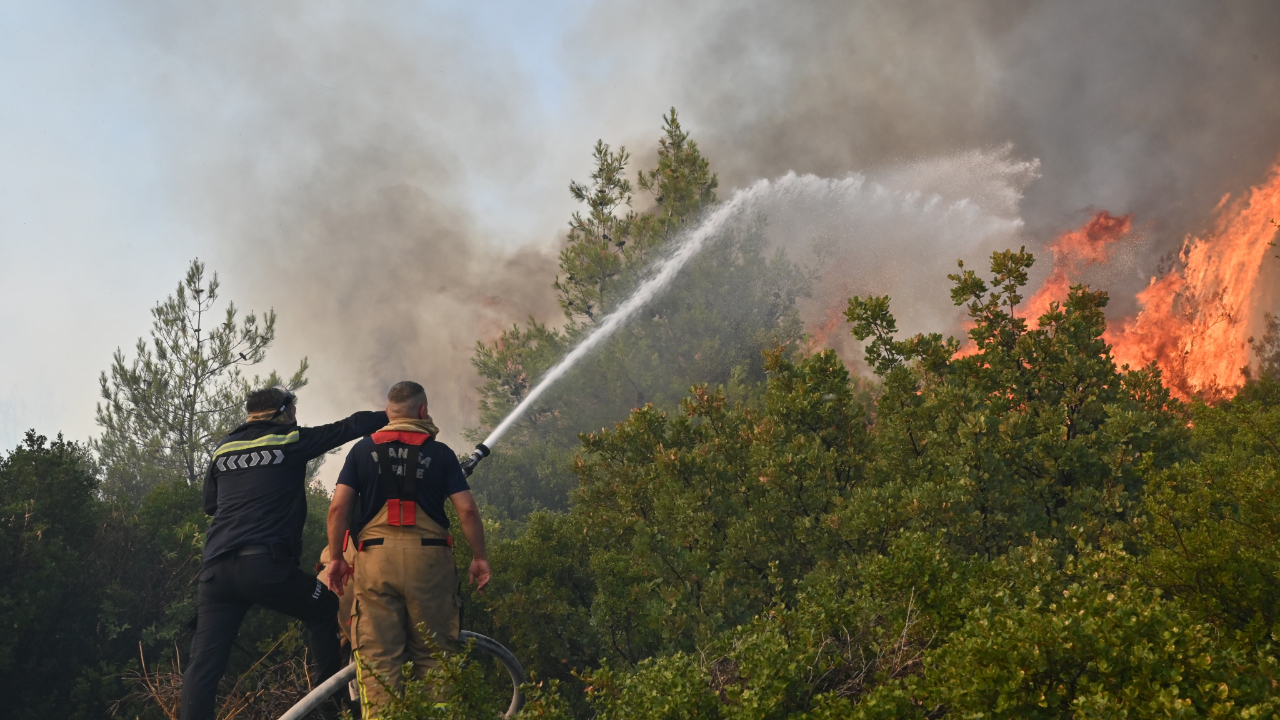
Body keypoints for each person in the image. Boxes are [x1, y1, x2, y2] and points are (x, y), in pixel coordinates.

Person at [180, 386, 389, 720]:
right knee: (324, 607)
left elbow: (211, 504)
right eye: (294, 411)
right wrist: (392, 414)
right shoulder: (289, 439)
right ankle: (328, 710)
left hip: (216, 573)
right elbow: (349, 427)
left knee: (204, 664)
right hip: (264, 566)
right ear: (283, 411)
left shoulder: (224, 448)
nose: (296, 417)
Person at [325, 381, 490, 718]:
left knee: (379, 660)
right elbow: (468, 511)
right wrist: (479, 557)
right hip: (429, 562)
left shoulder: (361, 450)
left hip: (375, 561)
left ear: (388, 414)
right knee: (435, 654)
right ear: (423, 411)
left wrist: (337, 559)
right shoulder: (441, 453)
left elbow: (338, 510)